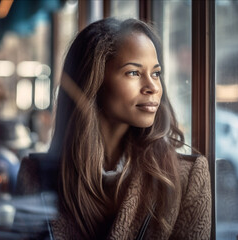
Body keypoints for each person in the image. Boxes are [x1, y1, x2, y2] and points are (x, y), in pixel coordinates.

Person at [21, 17, 211, 239]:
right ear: (93, 81)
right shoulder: (35, 175)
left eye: (156, 73)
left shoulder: (187, 178)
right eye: (134, 72)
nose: (152, 87)